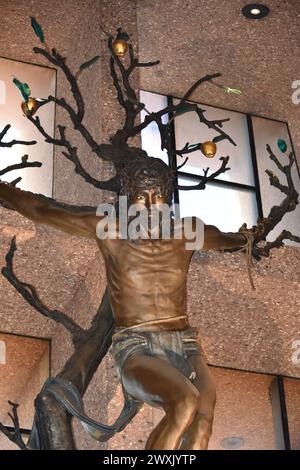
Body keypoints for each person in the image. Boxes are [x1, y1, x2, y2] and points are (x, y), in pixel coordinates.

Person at [0, 157, 251, 450]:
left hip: (185, 345)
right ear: (128, 197)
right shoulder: (110, 228)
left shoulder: (187, 231)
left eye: (158, 196)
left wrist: (248, 238)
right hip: (136, 345)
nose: (150, 205)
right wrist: (5, 192)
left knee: (202, 422)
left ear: (167, 196)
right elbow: (45, 210)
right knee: (184, 401)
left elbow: (228, 239)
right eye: (141, 197)